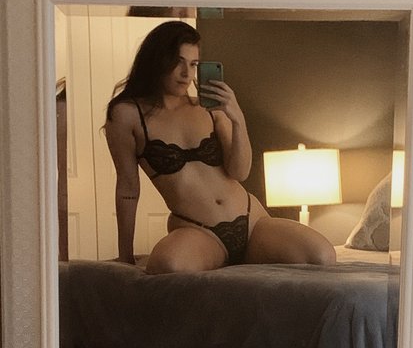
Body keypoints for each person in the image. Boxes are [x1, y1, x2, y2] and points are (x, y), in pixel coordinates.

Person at [105, 21, 336, 273]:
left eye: (193, 64)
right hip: (198, 231)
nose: (186, 73)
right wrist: (125, 254)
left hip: (252, 222)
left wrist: (237, 119)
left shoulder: (208, 107)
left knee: (322, 255)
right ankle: (219, 258)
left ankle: (246, 256)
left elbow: (239, 172)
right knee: (167, 264)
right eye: (177, 62)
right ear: (157, 60)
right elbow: (127, 187)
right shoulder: (126, 114)